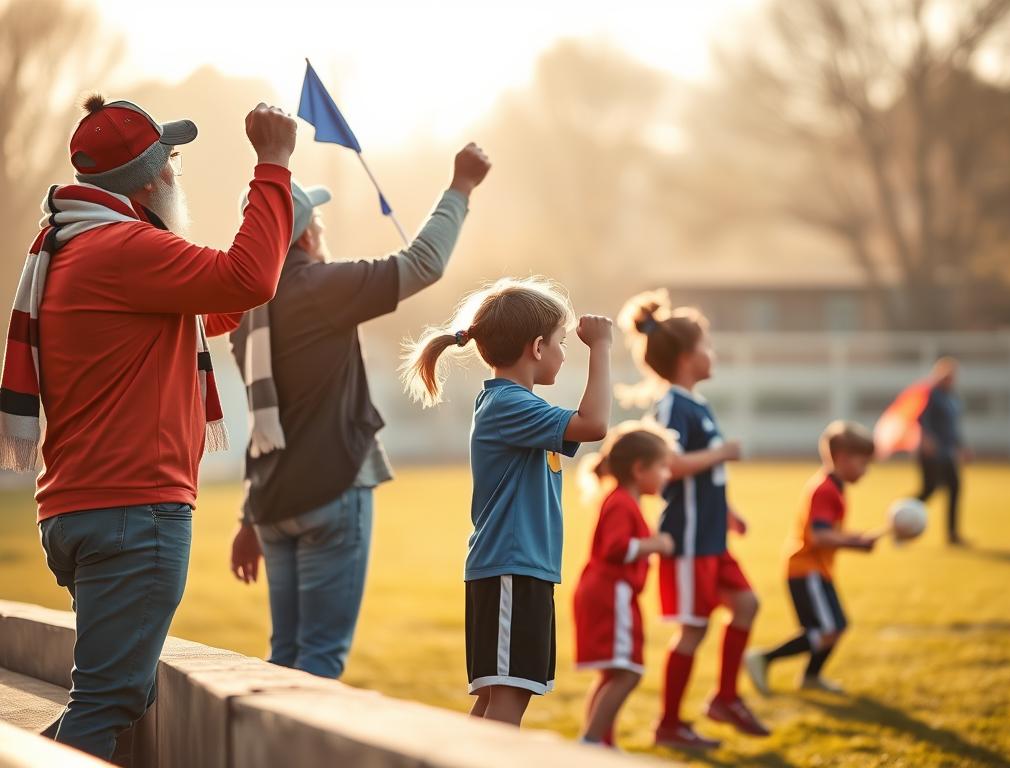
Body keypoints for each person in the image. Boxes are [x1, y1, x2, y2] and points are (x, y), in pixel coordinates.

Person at [0, 94, 296, 760]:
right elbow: (247, 280)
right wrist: (273, 167)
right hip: (132, 511)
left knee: (111, 701)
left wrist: (268, 233)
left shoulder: (75, 244)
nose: (176, 170)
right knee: (105, 705)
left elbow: (215, 305)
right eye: (172, 160)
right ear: (154, 176)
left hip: (87, 508)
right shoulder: (124, 247)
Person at [227, 143, 492, 679]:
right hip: (330, 492)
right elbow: (423, 264)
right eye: (317, 221)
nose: (322, 230)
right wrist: (461, 187)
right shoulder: (319, 286)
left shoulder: (245, 309)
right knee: (319, 661)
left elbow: (264, 416)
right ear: (304, 235)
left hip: (273, 504)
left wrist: (248, 517)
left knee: (285, 657)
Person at [402, 277, 613, 727]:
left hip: (519, 569)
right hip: (510, 570)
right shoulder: (507, 404)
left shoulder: (514, 405)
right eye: (561, 342)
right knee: (507, 701)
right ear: (537, 348)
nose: (564, 353)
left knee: (498, 699)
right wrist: (601, 348)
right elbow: (594, 424)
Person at [617, 289, 769, 751]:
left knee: (747, 604)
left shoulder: (696, 404)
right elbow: (670, 465)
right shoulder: (672, 406)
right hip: (685, 540)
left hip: (711, 537)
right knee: (694, 628)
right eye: (707, 346)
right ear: (686, 357)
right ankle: (668, 724)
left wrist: (728, 511)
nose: (712, 354)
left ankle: (725, 698)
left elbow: (703, 476)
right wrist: (721, 453)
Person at [745, 421, 881, 694]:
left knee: (835, 627)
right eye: (862, 463)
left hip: (816, 570)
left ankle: (811, 677)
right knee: (828, 630)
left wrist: (856, 539)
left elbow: (828, 532)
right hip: (806, 569)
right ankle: (763, 658)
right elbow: (819, 536)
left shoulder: (835, 487)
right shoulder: (825, 490)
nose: (865, 470)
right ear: (842, 458)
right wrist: (855, 543)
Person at [573, 422, 676, 748]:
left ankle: (601, 742)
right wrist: (655, 544)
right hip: (610, 594)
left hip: (609, 593)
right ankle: (591, 743)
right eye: (662, 467)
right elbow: (615, 549)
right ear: (639, 468)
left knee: (612, 673)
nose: (667, 475)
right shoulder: (621, 502)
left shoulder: (623, 499)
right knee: (628, 672)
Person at [917, 357, 969, 545]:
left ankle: (952, 534)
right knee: (929, 490)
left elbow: (953, 427)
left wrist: (961, 446)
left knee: (955, 488)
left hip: (947, 453)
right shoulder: (931, 395)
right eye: (946, 376)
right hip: (931, 453)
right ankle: (901, 514)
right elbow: (920, 418)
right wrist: (926, 438)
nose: (950, 379)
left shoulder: (952, 398)